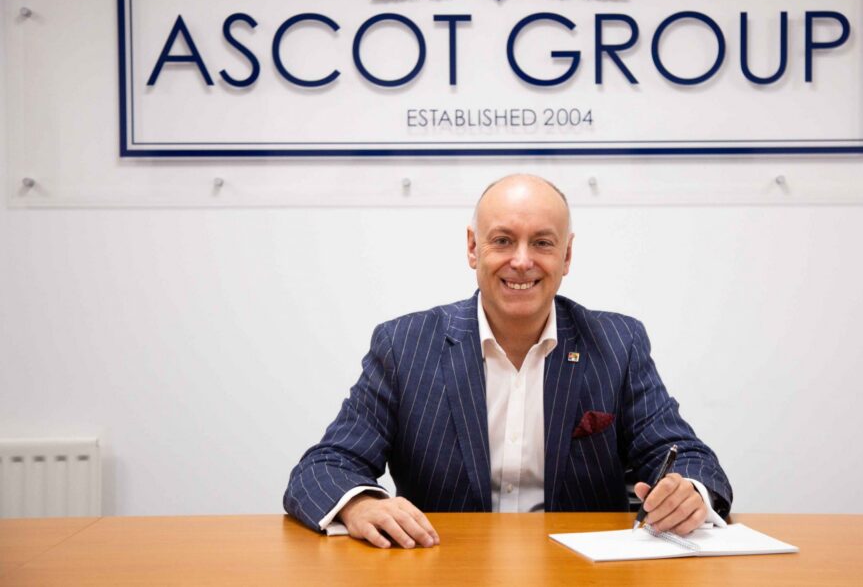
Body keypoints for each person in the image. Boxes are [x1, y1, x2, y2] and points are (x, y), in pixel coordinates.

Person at [284, 174, 732, 548]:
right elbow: (324, 467)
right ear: (473, 247)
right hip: (444, 569)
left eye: (542, 242)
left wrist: (688, 492)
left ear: (566, 255)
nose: (521, 261)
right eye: (502, 240)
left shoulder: (617, 343)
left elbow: (689, 456)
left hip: (579, 574)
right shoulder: (403, 346)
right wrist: (360, 505)